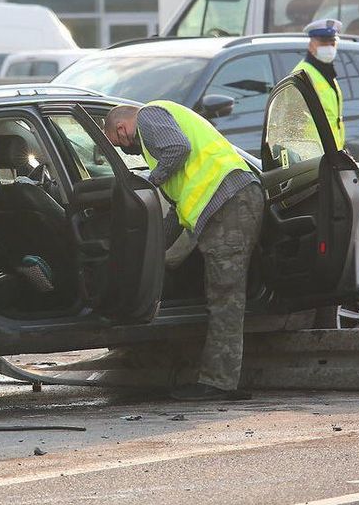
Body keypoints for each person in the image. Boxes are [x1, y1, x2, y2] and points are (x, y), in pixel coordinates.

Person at [102, 101, 263, 401]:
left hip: (229, 202)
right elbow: (177, 209)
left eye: (120, 143)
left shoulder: (149, 116)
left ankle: (219, 384)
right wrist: (150, 247)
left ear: (122, 128)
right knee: (222, 295)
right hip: (227, 204)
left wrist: (150, 180)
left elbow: (179, 149)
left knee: (225, 297)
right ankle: (218, 380)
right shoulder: (156, 139)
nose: (127, 150)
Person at [293, 19, 345, 150]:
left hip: (332, 152)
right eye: (323, 43)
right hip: (313, 153)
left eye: (332, 42)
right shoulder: (302, 73)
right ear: (311, 46)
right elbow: (294, 120)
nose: (328, 47)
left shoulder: (327, 73)